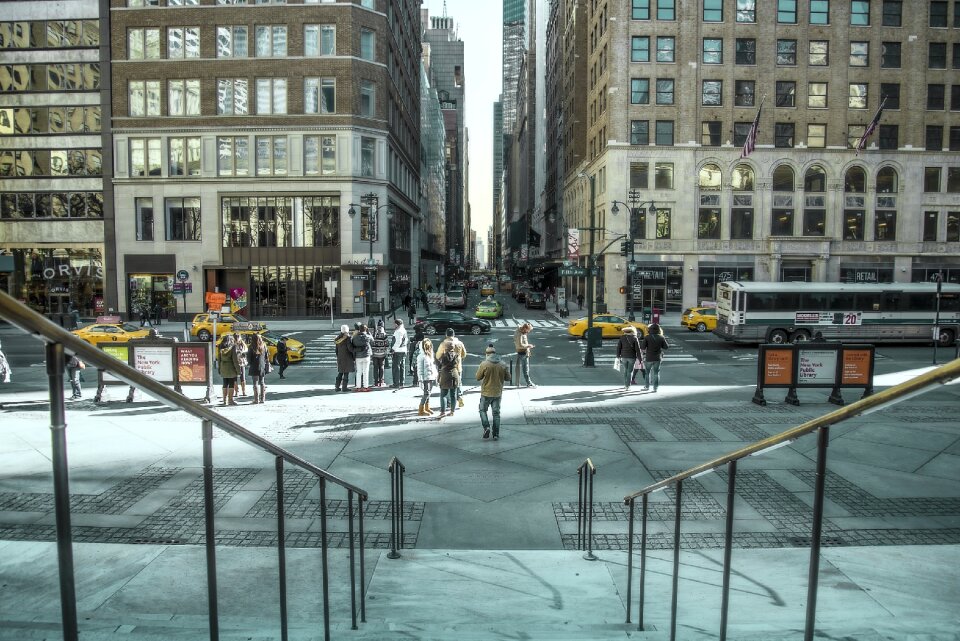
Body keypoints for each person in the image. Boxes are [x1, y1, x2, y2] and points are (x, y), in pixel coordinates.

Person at [476, 343, 511, 440]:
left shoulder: (484, 364)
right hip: (497, 392)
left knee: (482, 410)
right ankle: (496, 434)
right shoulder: (503, 364)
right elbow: (508, 378)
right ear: (495, 353)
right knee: (496, 414)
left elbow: (478, 377)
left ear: (487, 354)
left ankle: (486, 427)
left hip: (486, 392)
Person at [436, 328, 467, 407]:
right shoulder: (460, 343)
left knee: (449, 384)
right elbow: (464, 354)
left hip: (447, 367)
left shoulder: (444, 344)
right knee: (458, 382)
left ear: (446, 335)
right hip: (458, 366)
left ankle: (449, 402)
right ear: (454, 334)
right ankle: (460, 397)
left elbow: (438, 356)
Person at [639, 323, 669, 392]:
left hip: (649, 357)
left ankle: (647, 386)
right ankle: (655, 388)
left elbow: (643, 347)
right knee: (656, 373)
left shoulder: (647, 337)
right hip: (657, 358)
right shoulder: (661, 337)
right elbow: (666, 347)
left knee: (647, 372)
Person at [616, 326, 644, 390]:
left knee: (625, 370)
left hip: (623, 357)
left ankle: (625, 384)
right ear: (632, 331)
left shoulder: (622, 338)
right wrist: (640, 359)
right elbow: (638, 349)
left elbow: (619, 348)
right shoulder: (634, 338)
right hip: (632, 357)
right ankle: (627, 386)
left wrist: (618, 356)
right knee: (630, 371)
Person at [217, 334, 242, 406]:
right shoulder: (233, 347)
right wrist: (238, 370)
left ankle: (224, 400)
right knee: (231, 384)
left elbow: (219, 359)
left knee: (225, 383)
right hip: (231, 367)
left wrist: (219, 368)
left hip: (223, 366)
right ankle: (230, 400)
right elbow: (235, 360)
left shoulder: (220, 347)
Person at [416, 338, 438, 416]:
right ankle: (421, 410)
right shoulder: (421, 356)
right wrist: (420, 380)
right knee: (426, 393)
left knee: (429, 393)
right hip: (425, 378)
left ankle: (427, 407)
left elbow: (433, 367)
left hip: (430, 377)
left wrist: (435, 376)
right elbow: (420, 370)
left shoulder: (430, 355)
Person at [247, 333, 269, 403]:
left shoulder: (251, 346)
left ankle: (256, 400)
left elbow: (249, 358)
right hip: (262, 366)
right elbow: (266, 356)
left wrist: (250, 363)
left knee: (255, 383)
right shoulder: (264, 345)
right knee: (262, 382)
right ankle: (263, 399)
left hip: (254, 366)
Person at [350, 323, 373, 391]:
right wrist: (369, 332)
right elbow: (372, 340)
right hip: (366, 355)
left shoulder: (355, 337)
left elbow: (353, 344)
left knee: (358, 372)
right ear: (365, 329)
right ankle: (365, 387)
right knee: (365, 371)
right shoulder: (367, 336)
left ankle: (358, 387)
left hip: (358, 356)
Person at [513, 322, 536, 388]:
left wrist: (528, 349)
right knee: (525, 369)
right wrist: (528, 346)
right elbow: (519, 345)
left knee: (523, 369)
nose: (529, 332)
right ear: (525, 329)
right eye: (528, 330)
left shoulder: (522, 332)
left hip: (523, 352)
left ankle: (518, 383)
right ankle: (529, 383)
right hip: (522, 353)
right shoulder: (519, 334)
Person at [334, 324, 354, 392]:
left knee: (340, 372)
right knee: (346, 373)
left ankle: (337, 387)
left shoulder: (338, 338)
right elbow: (350, 348)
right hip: (347, 357)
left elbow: (336, 350)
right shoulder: (348, 338)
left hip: (340, 357)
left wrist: (338, 356)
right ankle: (344, 387)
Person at [391, 318, 409, 388]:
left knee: (396, 367)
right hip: (403, 350)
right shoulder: (404, 330)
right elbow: (406, 340)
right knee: (402, 367)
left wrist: (393, 349)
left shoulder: (398, 331)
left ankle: (396, 383)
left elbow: (398, 342)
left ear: (396, 324)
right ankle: (402, 382)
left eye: (394, 324)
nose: (393, 325)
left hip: (398, 351)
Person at [233, 333, 249, 397]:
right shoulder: (232, 344)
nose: (237, 339)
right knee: (235, 378)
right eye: (236, 337)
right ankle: (236, 392)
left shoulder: (242, 343)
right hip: (235, 362)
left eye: (238, 337)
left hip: (241, 362)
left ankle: (243, 391)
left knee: (243, 377)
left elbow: (246, 350)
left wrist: (242, 352)